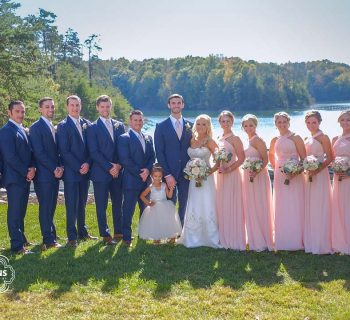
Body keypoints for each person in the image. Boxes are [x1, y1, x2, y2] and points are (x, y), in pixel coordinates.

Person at [57, 95, 97, 247]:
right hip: (72, 173)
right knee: (71, 205)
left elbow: (91, 148)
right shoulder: (63, 126)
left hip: (85, 172)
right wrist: (79, 167)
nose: (75, 108)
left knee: (82, 203)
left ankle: (83, 232)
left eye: (77, 105)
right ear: (67, 107)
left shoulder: (87, 124)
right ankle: (71, 237)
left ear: (81, 106)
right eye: (72, 105)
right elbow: (64, 151)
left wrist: (87, 163)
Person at [86, 95, 125, 245]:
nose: (105, 109)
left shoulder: (119, 125)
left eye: (107, 106)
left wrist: (119, 165)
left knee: (117, 202)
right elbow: (94, 152)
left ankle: (119, 231)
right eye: (102, 107)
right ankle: (105, 234)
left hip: (118, 172)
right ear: (97, 108)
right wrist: (110, 167)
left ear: (111, 106)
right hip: (101, 173)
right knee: (101, 204)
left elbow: (123, 148)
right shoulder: (92, 127)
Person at [177, 114, 221, 248]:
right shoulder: (191, 140)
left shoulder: (210, 141)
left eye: (204, 124)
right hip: (193, 179)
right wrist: (192, 171)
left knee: (206, 202)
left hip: (206, 179)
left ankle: (210, 236)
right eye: (198, 124)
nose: (201, 126)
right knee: (194, 203)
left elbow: (218, 161)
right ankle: (192, 235)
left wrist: (206, 172)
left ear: (208, 126)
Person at [0, 100, 35, 254]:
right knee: (14, 212)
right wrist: (26, 171)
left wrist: (32, 168)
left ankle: (21, 239)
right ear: (10, 112)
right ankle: (16, 246)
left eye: (23, 111)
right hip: (14, 178)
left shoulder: (21, 129)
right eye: (17, 111)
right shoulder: (6, 131)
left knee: (21, 210)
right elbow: (10, 157)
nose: (21, 114)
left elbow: (29, 152)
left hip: (24, 177)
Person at [269, 112, 306, 251]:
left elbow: (304, 159)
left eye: (284, 122)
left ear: (289, 122)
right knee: (282, 205)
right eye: (279, 122)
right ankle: (283, 238)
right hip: (280, 175)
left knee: (295, 204)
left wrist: (295, 171)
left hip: (295, 176)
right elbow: (271, 155)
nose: (282, 124)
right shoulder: (274, 139)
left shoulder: (296, 137)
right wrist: (277, 168)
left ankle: (297, 238)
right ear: (275, 124)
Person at [30, 97, 63, 249]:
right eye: (47, 107)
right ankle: (48, 240)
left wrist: (60, 166)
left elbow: (57, 152)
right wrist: (54, 168)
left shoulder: (52, 126)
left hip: (54, 174)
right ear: (40, 109)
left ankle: (51, 234)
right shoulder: (36, 127)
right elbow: (39, 153)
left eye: (52, 107)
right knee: (45, 207)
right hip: (44, 175)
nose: (51, 109)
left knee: (51, 206)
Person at [118, 110, 155, 247]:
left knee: (145, 208)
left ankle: (143, 234)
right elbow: (125, 160)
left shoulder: (148, 137)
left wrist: (147, 170)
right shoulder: (124, 138)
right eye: (135, 120)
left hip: (146, 181)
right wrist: (141, 172)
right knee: (128, 209)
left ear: (143, 121)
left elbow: (152, 156)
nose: (138, 122)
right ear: (130, 121)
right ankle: (126, 238)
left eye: (140, 120)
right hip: (131, 180)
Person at [154, 94, 192, 225]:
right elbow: (159, 152)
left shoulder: (191, 125)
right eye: (173, 103)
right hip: (169, 171)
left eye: (178, 103)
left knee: (184, 201)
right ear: (169, 105)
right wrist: (167, 174)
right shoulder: (161, 126)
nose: (176, 105)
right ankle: (169, 228)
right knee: (169, 202)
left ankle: (181, 229)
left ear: (183, 105)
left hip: (187, 172)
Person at [241, 114, 274, 251]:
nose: (248, 128)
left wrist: (256, 171)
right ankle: (254, 236)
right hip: (249, 176)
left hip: (258, 176)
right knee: (251, 204)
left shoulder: (258, 140)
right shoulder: (247, 140)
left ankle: (263, 238)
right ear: (243, 127)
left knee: (259, 204)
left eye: (251, 125)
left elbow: (265, 160)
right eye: (246, 126)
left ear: (256, 125)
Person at [215, 111, 246, 250]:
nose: (225, 123)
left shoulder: (236, 138)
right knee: (221, 204)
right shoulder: (218, 137)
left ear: (232, 122)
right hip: (220, 175)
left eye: (228, 121)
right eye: (223, 121)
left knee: (232, 203)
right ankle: (222, 235)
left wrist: (229, 169)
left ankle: (234, 238)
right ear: (219, 122)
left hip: (232, 175)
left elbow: (241, 158)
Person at [303, 111, 332, 254]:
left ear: (319, 122)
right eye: (308, 123)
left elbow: (330, 158)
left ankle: (321, 242)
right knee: (310, 206)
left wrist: (317, 170)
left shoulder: (324, 137)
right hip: (309, 175)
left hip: (320, 175)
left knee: (320, 205)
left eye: (314, 122)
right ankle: (311, 239)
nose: (311, 125)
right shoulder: (307, 137)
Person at [138, 164, 182, 244]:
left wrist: (171, 189)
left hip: (165, 206)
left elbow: (169, 195)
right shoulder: (151, 187)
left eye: (159, 176)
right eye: (155, 176)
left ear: (162, 176)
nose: (157, 178)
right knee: (156, 223)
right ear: (152, 176)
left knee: (167, 222)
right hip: (154, 208)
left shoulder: (164, 185)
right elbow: (142, 196)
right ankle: (157, 238)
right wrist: (149, 203)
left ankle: (171, 237)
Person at [331, 110, 350, 254]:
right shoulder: (335, 138)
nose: (345, 122)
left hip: (348, 177)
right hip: (338, 179)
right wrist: (335, 167)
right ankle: (340, 240)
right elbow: (332, 158)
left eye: (348, 120)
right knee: (339, 207)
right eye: (342, 120)